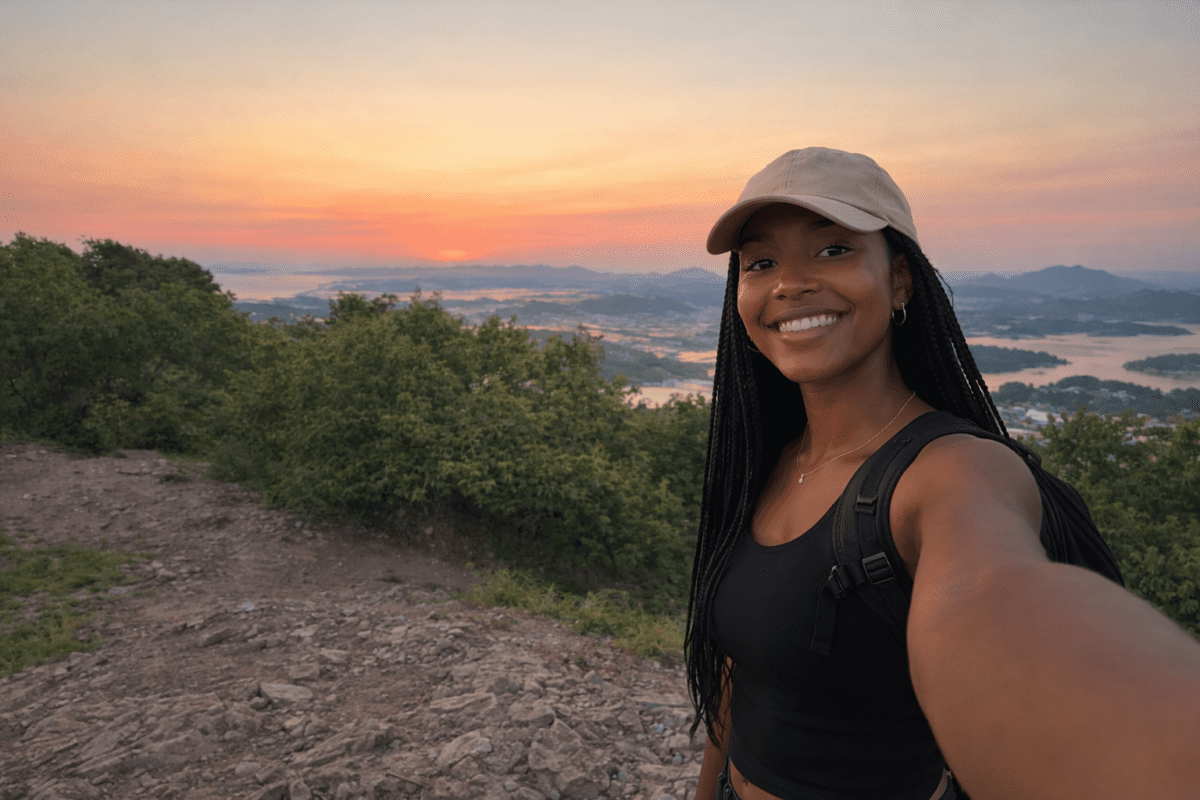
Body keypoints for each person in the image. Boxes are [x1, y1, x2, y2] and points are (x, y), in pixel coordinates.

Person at [684, 147, 1200, 800]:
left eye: (833, 249)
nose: (789, 283)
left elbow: (996, 604)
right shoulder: (770, 461)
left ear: (900, 279)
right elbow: (744, 671)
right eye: (761, 262)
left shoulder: (949, 473)